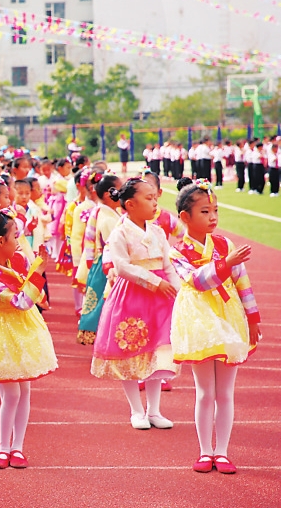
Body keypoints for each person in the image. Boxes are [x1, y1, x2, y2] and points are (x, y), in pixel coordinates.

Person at [168, 178, 261, 474]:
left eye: (215, 211)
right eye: (205, 212)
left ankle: (222, 451)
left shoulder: (224, 244)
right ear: (185, 217)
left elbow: (242, 283)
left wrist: (252, 317)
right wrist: (225, 263)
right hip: (198, 322)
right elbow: (197, 281)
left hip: (228, 316)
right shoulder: (177, 250)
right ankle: (204, 451)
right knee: (205, 391)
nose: (213, 218)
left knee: (226, 392)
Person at [0, 210, 57, 469]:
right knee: (11, 392)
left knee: (24, 388)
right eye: (14, 236)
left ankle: (17, 447)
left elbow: (27, 288)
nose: (19, 241)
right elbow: (21, 301)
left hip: (22, 329)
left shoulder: (16, 259)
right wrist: (39, 271)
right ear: (0, 241)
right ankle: (3, 447)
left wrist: (36, 270)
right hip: (1, 331)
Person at [91, 179, 180, 430]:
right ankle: (136, 410)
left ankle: (154, 410)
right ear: (130, 204)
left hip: (160, 299)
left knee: (156, 351)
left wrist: (180, 292)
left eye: (155, 198)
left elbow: (168, 265)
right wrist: (154, 282)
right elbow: (122, 266)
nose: (155, 203)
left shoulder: (158, 232)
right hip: (132, 296)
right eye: (149, 198)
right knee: (129, 349)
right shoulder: (119, 233)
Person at [75, 174, 121, 345]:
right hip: (108, 266)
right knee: (105, 300)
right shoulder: (108, 219)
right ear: (110, 195)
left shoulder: (102, 211)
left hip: (99, 263)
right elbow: (117, 247)